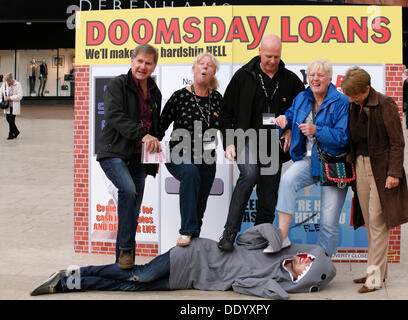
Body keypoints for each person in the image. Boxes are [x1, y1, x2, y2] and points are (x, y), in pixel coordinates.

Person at [30, 224, 336, 300]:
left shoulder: (274, 281)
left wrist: (282, 289)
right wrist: (276, 242)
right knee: (139, 276)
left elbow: (244, 287)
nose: (303, 258)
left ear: (305, 277)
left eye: (308, 264)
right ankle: (79, 272)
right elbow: (252, 234)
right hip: (193, 254)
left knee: (132, 288)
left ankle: (70, 284)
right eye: (307, 255)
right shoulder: (279, 249)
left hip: (188, 280)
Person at [218, 34, 305, 251]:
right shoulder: (243, 76)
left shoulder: (290, 80)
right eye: (268, 56)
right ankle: (229, 233)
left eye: (277, 56)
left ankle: (258, 238)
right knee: (249, 175)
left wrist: (291, 130)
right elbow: (226, 112)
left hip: (272, 145)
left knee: (269, 194)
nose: (273, 61)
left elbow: (303, 111)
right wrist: (230, 141)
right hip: (245, 139)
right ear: (259, 51)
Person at [270, 59, 350, 256]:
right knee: (287, 180)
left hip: (334, 163)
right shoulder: (302, 97)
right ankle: (283, 236)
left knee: (329, 221)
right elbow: (290, 114)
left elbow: (343, 138)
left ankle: (324, 261)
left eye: (320, 75)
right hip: (308, 161)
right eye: (312, 75)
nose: (315, 79)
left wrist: (317, 130)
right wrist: (284, 121)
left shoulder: (342, 102)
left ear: (330, 79)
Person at [341, 66, 408, 293]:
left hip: (381, 169)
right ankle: (378, 269)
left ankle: (374, 277)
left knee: (379, 223)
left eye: (355, 95)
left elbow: (397, 142)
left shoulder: (385, 105)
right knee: (371, 223)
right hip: (360, 165)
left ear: (367, 89)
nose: (352, 99)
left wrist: (394, 173)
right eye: (349, 95)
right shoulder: (354, 105)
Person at [96, 44, 162, 270]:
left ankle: (122, 264)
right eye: (140, 61)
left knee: (132, 211)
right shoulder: (118, 84)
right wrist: (142, 134)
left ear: (154, 65)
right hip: (113, 152)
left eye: (149, 63)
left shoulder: (155, 92)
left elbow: (155, 127)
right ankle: (126, 250)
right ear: (132, 60)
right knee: (128, 191)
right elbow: (115, 116)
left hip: (139, 158)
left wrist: (155, 156)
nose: (143, 67)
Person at [157, 53, 223, 246]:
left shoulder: (217, 99)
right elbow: (159, 127)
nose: (205, 67)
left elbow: (227, 128)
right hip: (179, 154)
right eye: (201, 64)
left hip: (206, 158)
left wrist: (230, 145)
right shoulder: (180, 96)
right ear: (194, 69)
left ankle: (192, 244)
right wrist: (149, 161)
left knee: (199, 207)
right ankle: (186, 231)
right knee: (191, 172)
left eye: (209, 65)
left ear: (213, 72)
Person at [1, 73, 23, 140]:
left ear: (11, 79)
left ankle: (10, 134)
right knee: (8, 119)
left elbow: (20, 96)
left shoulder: (17, 84)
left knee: (11, 120)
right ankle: (16, 132)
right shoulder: (4, 84)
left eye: (9, 81)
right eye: (7, 81)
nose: (8, 83)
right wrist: (1, 100)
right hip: (7, 105)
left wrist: (10, 97)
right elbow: (0, 92)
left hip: (14, 105)